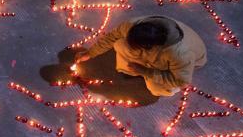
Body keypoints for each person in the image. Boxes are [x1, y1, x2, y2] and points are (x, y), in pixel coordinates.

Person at [73, 15, 207, 97]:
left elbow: (182, 82)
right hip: (159, 52)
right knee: (120, 44)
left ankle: (155, 80)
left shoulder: (179, 53)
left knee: (156, 89)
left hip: (188, 62)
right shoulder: (133, 25)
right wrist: (90, 53)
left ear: (150, 47)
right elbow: (111, 38)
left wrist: (146, 71)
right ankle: (136, 71)